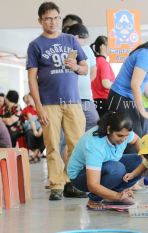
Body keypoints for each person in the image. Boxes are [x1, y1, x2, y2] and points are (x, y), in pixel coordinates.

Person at [26, 2, 88, 201]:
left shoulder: (70, 40)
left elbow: (85, 68)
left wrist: (76, 67)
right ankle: (56, 185)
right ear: (40, 21)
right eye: (48, 19)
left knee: (76, 145)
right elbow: (31, 79)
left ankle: (71, 182)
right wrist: (38, 107)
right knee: (52, 144)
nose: (53, 22)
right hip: (49, 104)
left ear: (60, 19)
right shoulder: (35, 45)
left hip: (73, 102)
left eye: (56, 18)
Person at [107, 29, 148, 143]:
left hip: (125, 98)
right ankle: (128, 160)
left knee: (134, 133)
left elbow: (145, 86)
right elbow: (135, 84)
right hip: (119, 97)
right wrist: (143, 112)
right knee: (132, 133)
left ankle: (132, 159)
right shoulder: (145, 55)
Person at [67, 112, 142, 210]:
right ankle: (94, 200)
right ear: (108, 129)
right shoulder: (95, 143)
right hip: (80, 176)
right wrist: (117, 195)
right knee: (117, 169)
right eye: (119, 136)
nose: (123, 139)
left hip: (107, 165)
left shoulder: (124, 131)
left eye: (126, 136)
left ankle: (112, 195)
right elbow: (92, 184)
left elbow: (136, 140)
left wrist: (145, 156)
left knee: (141, 162)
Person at [66, 23, 99, 130]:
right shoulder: (67, 49)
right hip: (70, 99)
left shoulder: (87, 49)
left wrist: (84, 82)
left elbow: (93, 71)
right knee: (72, 129)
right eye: (83, 39)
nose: (85, 42)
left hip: (86, 98)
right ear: (75, 37)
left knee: (94, 124)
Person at [91, 36, 115, 117]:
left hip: (95, 101)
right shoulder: (104, 63)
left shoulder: (94, 62)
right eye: (109, 45)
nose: (111, 48)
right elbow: (106, 83)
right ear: (102, 47)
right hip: (105, 100)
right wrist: (119, 86)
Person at [22, 94, 45, 163]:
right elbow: (31, 120)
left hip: (41, 127)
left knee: (45, 134)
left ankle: (34, 155)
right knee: (30, 134)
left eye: (28, 98)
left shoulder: (42, 108)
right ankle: (36, 155)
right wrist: (35, 131)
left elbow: (44, 121)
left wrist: (40, 131)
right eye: (25, 100)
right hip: (31, 128)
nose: (27, 100)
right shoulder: (27, 109)